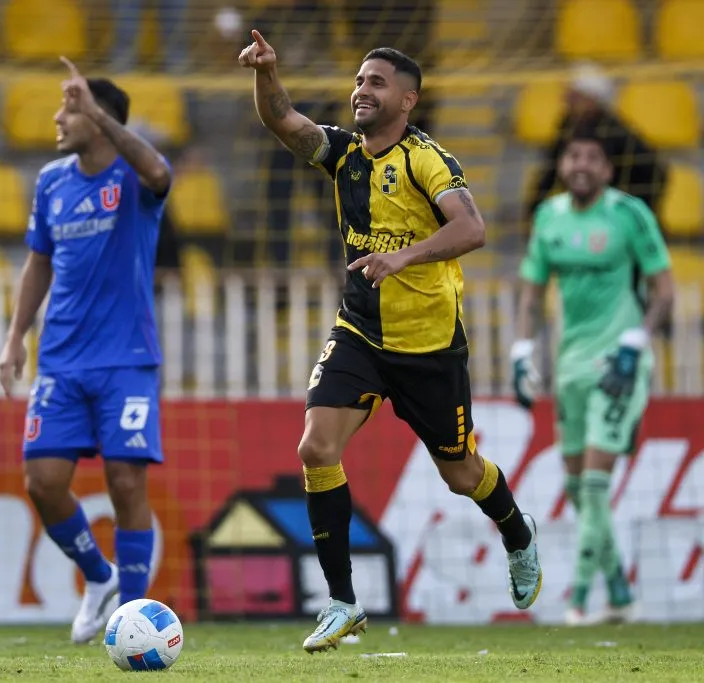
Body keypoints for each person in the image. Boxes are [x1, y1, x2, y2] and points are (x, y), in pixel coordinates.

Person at [238, 31, 543, 653]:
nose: (361, 90)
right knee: (316, 447)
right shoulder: (343, 152)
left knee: (461, 474)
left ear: (407, 100)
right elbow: (283, 121)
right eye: (358, 80)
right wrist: (266, 72)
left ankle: (517, 532)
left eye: (375, 83)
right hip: (360, 333)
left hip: (429, 347)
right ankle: (343, 603)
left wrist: (403, 256)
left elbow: (472, 228)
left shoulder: (428, 160)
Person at [0, 58, 172, 644]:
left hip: (126, 360)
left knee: (126, 483)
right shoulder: (51, 182)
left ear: (98, 118)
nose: (57, 118)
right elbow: (38, 262)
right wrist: (15, 337)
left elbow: (160, 172)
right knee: (41, 481)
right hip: (61, 361)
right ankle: (98, 578)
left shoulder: (133, 177)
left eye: (69, 110)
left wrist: (96, 111)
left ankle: (135, 616)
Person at [513, 130, 674, 626]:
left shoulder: (629, 214)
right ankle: (621, 594)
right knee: (577, 485)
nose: (581, 164)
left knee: (595, 486)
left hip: (619, 363)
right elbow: (531, 292)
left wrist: (637, 341)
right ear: (563, 166)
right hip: (571, 367)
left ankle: (579, 601)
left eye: (592, 158)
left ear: (607, 169)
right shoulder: (549, 217)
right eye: (573, 156)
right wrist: (522, 351)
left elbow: (664, 289)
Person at [526, 63, 667, 221]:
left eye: (574, 95)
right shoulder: (568, 124)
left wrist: (632, 215)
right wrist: (532, 211)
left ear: (592, 100)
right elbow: (551, 169)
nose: (565, 99)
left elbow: (656, 172)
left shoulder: (614, 131)